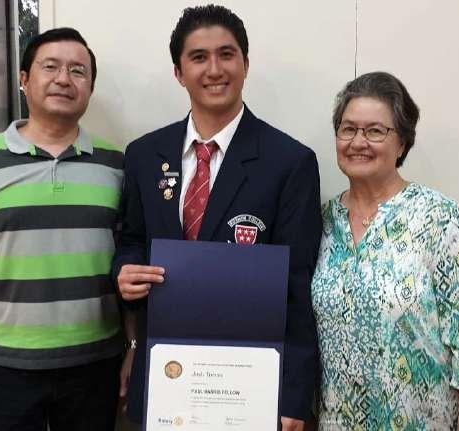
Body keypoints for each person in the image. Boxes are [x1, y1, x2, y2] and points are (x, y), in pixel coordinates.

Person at [113, 4, 321, 430]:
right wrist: (124, 271)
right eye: (198, 57)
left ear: (246, 64)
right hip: (166, 373)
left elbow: (299, 286)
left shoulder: (289, 162)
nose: (214, 69)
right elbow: (131, 239)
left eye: (227, 54)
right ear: (179, 72)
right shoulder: (144, 154)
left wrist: (294, 395)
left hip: (249, 382)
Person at [0, 28, 124, 431]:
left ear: (90, 88)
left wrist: (132, 347)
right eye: (51, 67)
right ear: (24, 79)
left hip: (97, 364)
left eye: (78, 71)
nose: (64, 79)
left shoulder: (116, 164)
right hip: (8, 366)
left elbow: (128, 261)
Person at [312, 71, 459, 429]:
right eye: (348, 129)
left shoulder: (439, 219)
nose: (358, 142)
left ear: (402, 143)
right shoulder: (320, 223)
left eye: (375, 131)